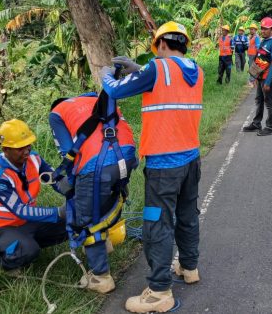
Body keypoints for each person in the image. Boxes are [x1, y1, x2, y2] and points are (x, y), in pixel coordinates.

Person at [102, 22, 203, 313]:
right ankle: (189, 266)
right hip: (190, 159)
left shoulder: (157, 69)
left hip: (163, 165)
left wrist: (106, 75)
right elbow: (166, 83)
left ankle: (159, 292)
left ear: (159, 45)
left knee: (156, 223)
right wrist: (139, 69)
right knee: (187, 215)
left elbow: (116, 90)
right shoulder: (196, 70)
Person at [49, 87, 138, 293]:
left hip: (96, 166)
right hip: (128, 155)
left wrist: (69, 186)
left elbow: (67, 154)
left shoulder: (56, 114)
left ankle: (100, 277)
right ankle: (104, 245)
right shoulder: (93, 99)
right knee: (107, 196)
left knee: (86, 217)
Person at [0, 119, 67, 276]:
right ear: (6, 149)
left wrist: (78, 194)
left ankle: (23, 242)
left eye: (28, 145)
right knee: (29, 251)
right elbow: (20, 210)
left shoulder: (33, 159)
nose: (26, 151)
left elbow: (56, 180)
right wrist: (58, 212)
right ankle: (3, 258)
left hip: (25, 223)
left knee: (74, 219)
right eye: (20, 148)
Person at [243, 17, 272, 136]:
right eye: (262, 28)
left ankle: (271, 127)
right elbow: (258, 59)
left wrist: (268, 82)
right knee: (259, 100)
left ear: (271, 29)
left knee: (269, 102)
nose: (263, 31)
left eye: (266, 29)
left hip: (270, 77)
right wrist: (254, 76)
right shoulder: (264, 41)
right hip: (261, 76)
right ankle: (256, 123)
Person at [247, 24, 261, 88]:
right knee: (252, 68)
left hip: (254, 55)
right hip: (250, 54)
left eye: (252, 29)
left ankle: (251, 81)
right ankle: (255, 81)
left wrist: (257, 56)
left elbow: (258, 47)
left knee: (252, 68)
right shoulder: (251, 37)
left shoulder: (256, 37)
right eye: (250, 29)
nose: (251, 30)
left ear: (255, 30)